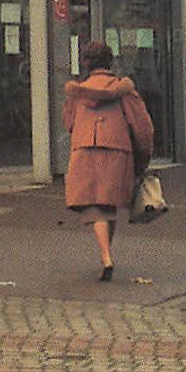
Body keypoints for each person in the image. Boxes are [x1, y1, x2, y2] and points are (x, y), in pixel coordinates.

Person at [63, 40, 154, 281]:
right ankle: (107, 255)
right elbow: (143, 128)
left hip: (85, 150)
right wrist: (143, 158)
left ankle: (106, 258)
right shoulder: (124, 90)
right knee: (108, 204)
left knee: (97, 206)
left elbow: (68, 123)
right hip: (117, 151)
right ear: (110, 61)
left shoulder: (77, 91)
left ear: (86, 63)